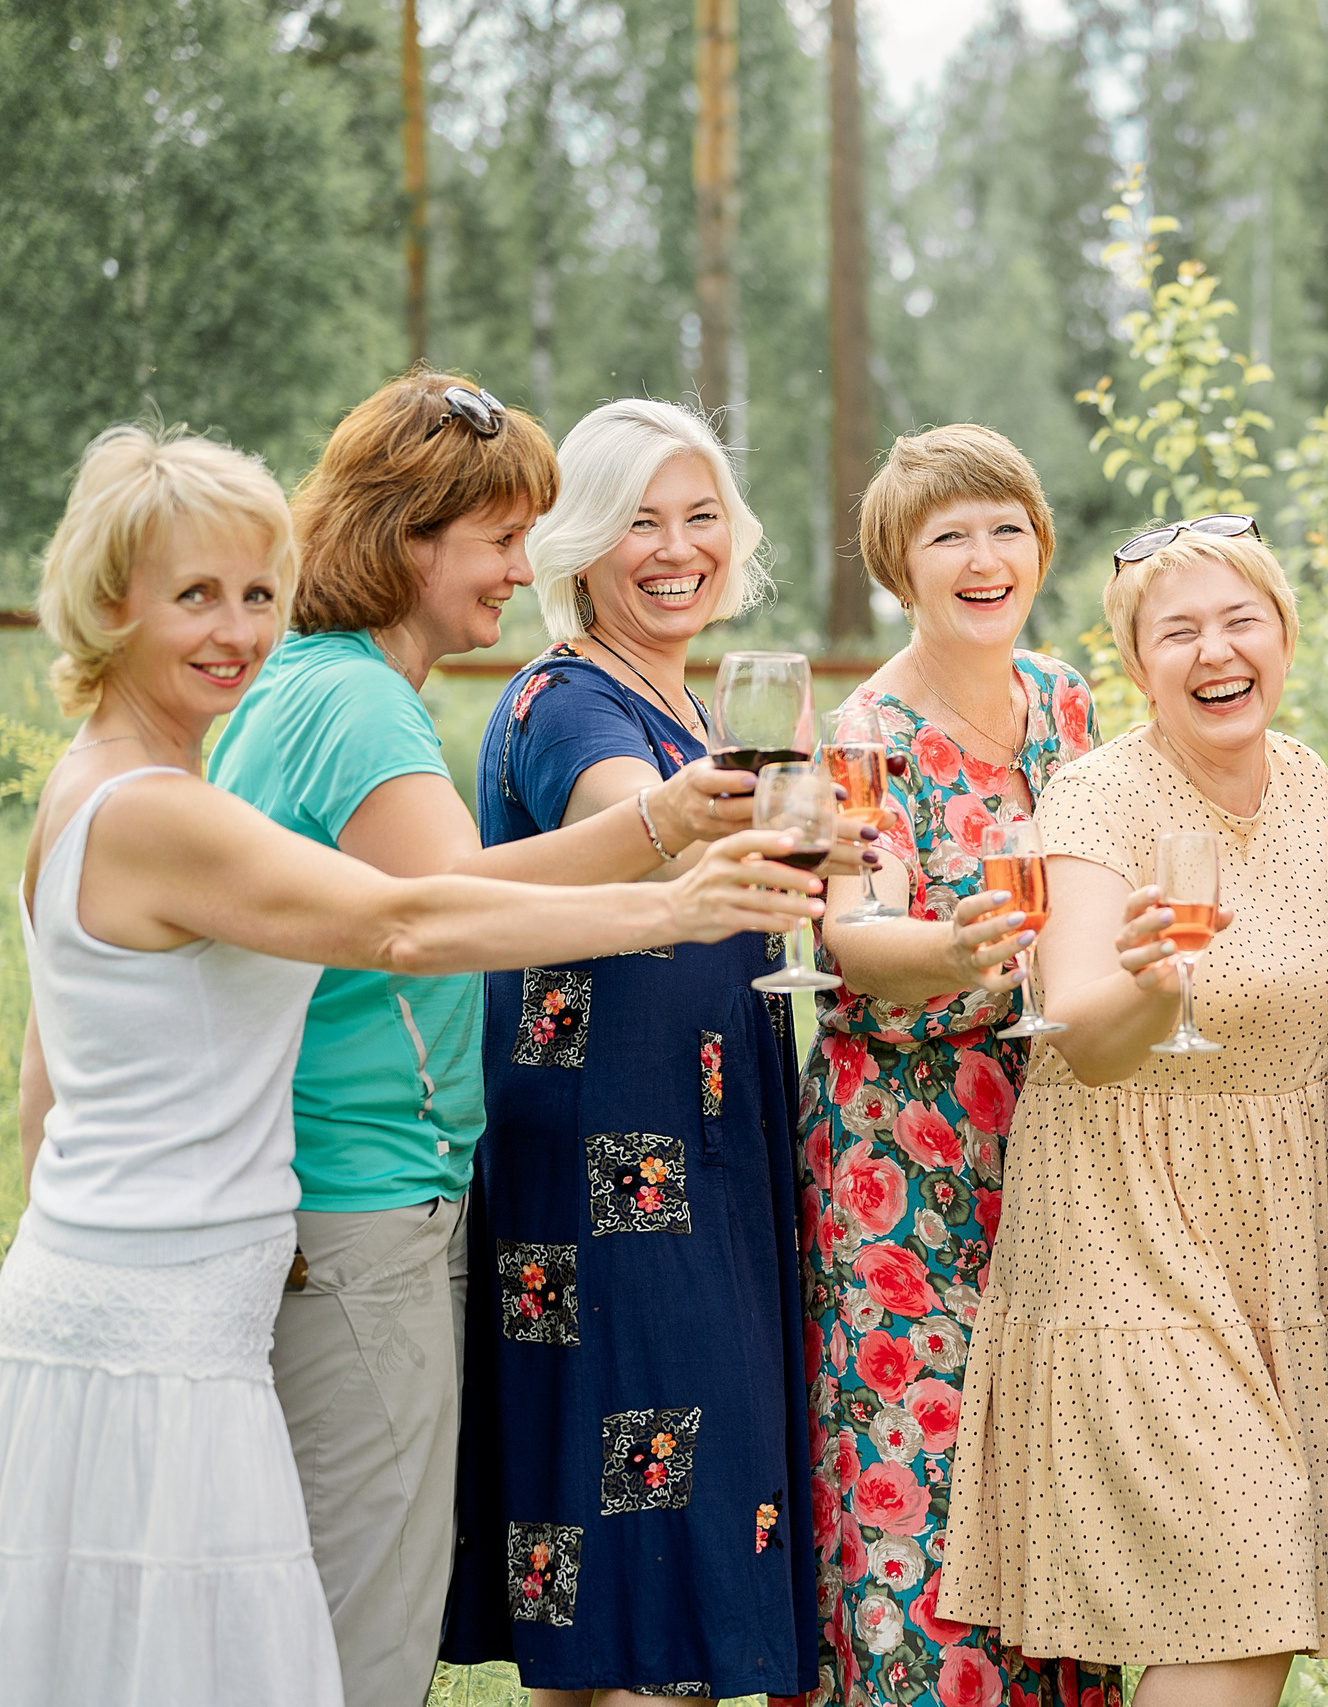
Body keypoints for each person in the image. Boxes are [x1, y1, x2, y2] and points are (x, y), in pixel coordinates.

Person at [0, 427, 819, 1707]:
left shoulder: (109, 784)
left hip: (138, 1294)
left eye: (260, 592)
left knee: (148, 1660)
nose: (240, 630)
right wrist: (673, 895)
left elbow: (43, 1083)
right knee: (319, 1665)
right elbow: (408, 919)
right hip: (160, 1322)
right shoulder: (166, 807)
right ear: (108, 608)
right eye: (195, 596)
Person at [203, 372, 755, 1707]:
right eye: (502, 538)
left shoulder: (315, 684)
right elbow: (442, 911)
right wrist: (669, 859)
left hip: (332, 1192)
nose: (523, 567)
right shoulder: (360, 705)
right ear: (410, 540)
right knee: (363, 1627)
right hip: (360, 1199)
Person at [442, 399, 847, 1703]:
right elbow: (626, 816)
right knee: (642, 1531)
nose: (674, 548)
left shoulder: (680, 694)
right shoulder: (568, 696)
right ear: (580, 541)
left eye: (700, 515)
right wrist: (695, 813)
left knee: (626, 1532)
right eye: (638, 521)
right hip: (617, 1169)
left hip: (691, 1145)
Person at [940, 518, 1328, 1705]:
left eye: (1241, 621)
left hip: (1270, 1246)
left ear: (1282, 636)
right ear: (1135, 662)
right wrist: (1151, 983)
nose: (1215, 652)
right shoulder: (1098, 794)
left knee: (1237, 1597)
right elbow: (1076, 1021)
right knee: (1244, 1575)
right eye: (1179, 631)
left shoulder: (1309, 780)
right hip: (1130, 1234)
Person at [791, 423, 1117, 1707]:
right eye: (948, 537)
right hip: (905, 1164)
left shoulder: (1069, 696)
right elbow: (853, 934)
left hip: (1062, 1150)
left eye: (1006, 529)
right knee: (913, 1492)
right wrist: (966, 950)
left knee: (1052, 1484)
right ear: (898, 566)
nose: (984, 559)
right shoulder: (866, 732)